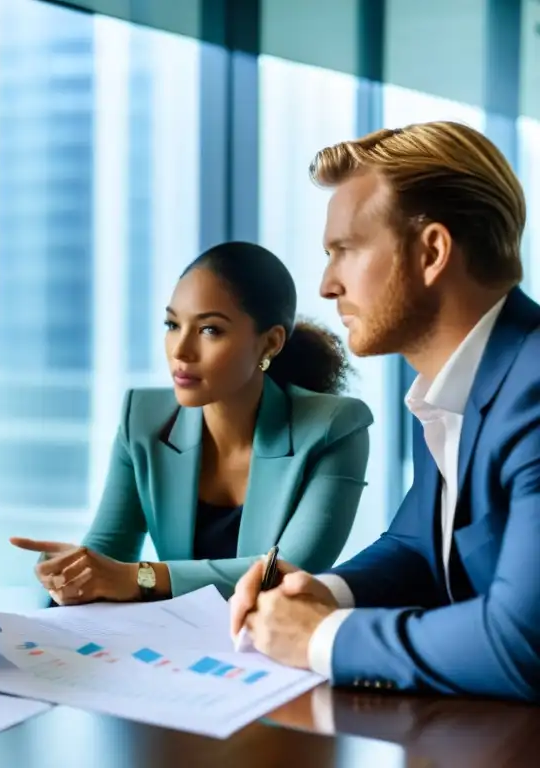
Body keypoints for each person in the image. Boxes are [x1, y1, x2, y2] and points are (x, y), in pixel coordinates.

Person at [230, 120, 540, 702]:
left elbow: (524, 643)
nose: (325, 285)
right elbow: (420, 548)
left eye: (344, 251)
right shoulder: (458, 385)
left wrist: (324, 638)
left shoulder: (534, 390)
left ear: (432, 252)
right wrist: (324, 593)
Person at [12, 242, 373, 604]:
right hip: (175, 647)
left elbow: (285, 571)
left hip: (276, 645)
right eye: (172, 324)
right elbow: (109, 553)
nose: (180, 350)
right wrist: (71, 573)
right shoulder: (142, 418)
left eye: (210, 330)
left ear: (270, 343)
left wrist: (140, 576)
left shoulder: (335, 427)